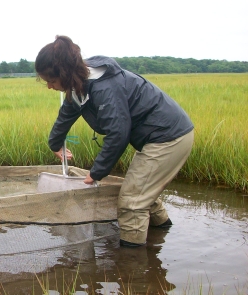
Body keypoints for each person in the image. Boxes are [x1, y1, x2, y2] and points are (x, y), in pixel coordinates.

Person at [35, 35, 194, 247]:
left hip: (168, 136)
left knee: (131, 203)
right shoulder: (79, 84)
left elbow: (118, 133)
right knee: (139, 188)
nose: (49, 87)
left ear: (65, 73)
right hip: (156, 137)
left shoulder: (104, 87)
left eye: (51, 81)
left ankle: (132, 267)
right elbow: (67, 113)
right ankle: (162, 233)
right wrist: (55, 145)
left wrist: (96, 172)